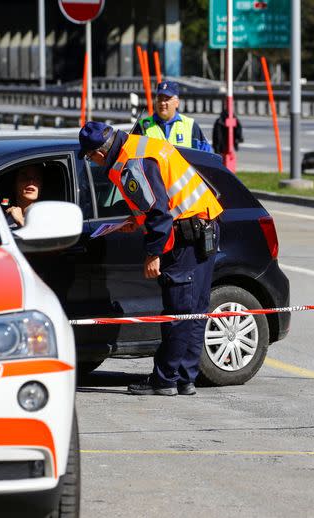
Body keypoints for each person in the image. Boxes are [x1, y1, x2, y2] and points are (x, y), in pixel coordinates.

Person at [78, 121, 223, 396]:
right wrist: (137, 218)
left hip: (185, 238)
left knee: (178, 311)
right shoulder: (142, 145)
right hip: (205, 227)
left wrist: (153, 253)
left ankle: (165, 379)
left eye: (90, 158)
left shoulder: (131, 164)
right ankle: (184, 377)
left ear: (98, 153)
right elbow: (162, 197)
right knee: (195, 309)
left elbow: (159, 214)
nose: (93, 163)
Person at [134, 81, 213, 152]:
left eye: (167, 99)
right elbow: (135, 157)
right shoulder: (143, 127)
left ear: (177, 102)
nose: (162, 103)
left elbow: (207, 155)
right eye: (160, 99)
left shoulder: (190, 125)